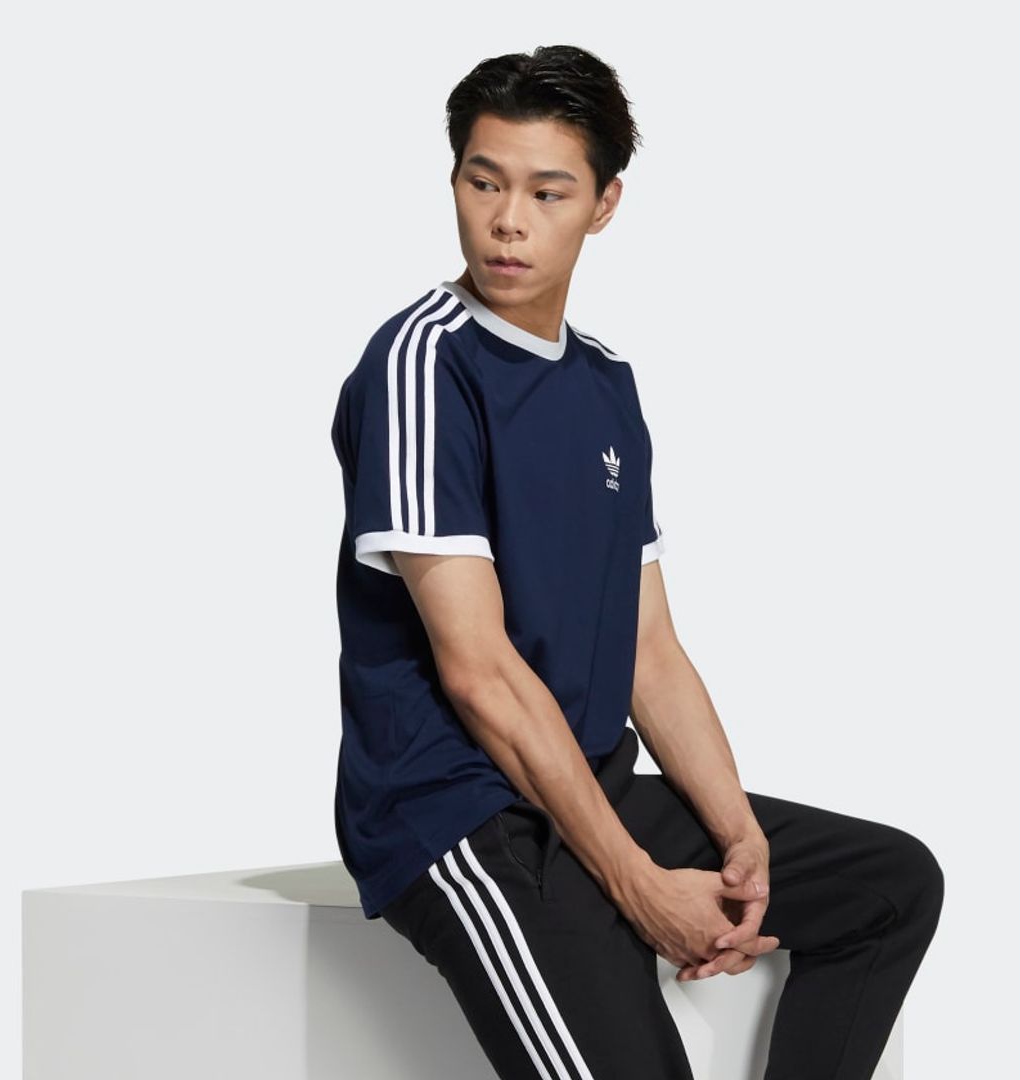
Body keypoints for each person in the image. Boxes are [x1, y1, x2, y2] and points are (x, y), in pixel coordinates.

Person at [329, 43, 943, 1080]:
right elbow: (478, 674)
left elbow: (650, 652)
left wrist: (737, 835)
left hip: (586, 794)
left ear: (604, 204)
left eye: (547, 192)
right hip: (462, 819)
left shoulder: (605, 383)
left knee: (890, 888)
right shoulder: (422, 364)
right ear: (455, 182)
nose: (508, 221)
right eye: (484, 182)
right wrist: (639, 883)